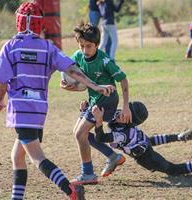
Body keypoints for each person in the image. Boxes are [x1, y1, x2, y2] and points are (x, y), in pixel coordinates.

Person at [0, 2, 115, 200]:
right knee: (17, 156)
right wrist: (95, 86)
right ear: (41, 24)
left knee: (37, 157)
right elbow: (73, 70)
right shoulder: (48, 47)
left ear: (18, 22)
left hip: (22, 112)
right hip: (39, 112)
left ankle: (71, 190)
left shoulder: (10, 47)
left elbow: (2, 79)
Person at [61, 22, 131, 184]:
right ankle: (113, 156)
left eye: (89, 46)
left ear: (97, 44)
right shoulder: (77, 57)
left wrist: (126, 106)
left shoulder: (105, 60)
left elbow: (123, 80)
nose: (85, 50)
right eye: (82, 46)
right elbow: (77, 82)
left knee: (80, 134)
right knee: (78, 133)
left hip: (107, 99)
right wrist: (67, 86)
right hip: (94, 100)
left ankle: (88, 174)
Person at [92, 101, 192, 176]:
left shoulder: (123, 133)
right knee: (149, 141)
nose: (123, 112)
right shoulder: (120, 117)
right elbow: (150, 140)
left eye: (126, 113)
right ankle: (179, 136)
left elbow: (100, 138)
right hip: (143, 145)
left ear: (130, 121)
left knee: (173, 170)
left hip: (146, 158)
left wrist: (98, 122)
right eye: (125, 109)